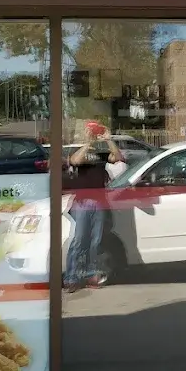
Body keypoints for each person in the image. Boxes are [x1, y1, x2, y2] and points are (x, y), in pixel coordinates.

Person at [63, 122, 124, 291]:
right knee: (79, 240)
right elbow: (75, 161)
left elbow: (118, 157)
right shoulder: (79, 150)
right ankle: (71, 277)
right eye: (90, 131)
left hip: (99, 202)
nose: (93, 133)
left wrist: (108, 139)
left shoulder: (102, 153)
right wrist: (88, 143)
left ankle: (91, 275)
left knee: (95, 241)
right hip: (82, 202)